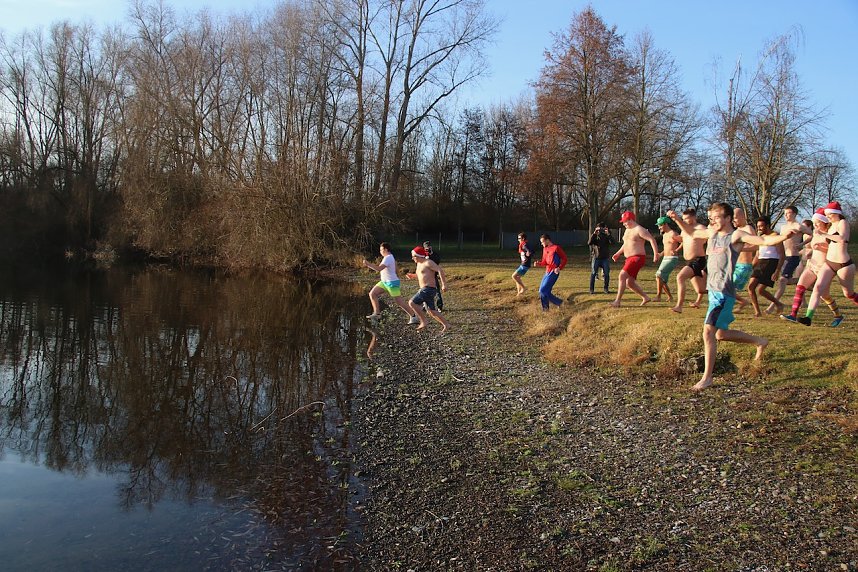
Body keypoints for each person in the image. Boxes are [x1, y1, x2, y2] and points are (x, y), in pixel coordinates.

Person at [667, 204, 795, 391]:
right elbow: (692, 233)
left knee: (708, 331)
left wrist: (786, 236)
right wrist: (677, 219)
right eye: (711, 218)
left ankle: (707, 377)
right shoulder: (711, 233)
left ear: (728, 218)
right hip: (713, 291)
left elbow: (763, 241)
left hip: (724, 293)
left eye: (717, 217)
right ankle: (760, 341)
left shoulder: (735, 236)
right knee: (720, 334)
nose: (713, 221)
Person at [780, 209, 843, 326]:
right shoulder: (816, 233)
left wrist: (821, 248)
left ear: (825, 222)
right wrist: (803, 247)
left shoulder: (830, 233)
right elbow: (810, 241)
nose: (815, 225)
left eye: (817, 223)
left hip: (824, 267)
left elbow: (835, 251)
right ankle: (793, 315)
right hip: (811, 265)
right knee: (800, 287)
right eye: (814, 223)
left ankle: (838, 316)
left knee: (825, 295)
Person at [800, 201, 858, 325]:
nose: (828, 217)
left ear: (836, 213)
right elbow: (829, 243)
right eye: (826, 215)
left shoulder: (843, 223)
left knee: (848, 294)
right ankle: (808, 318)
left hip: (844, 264)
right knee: (818, 288)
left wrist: (824, 234)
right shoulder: (830, 226)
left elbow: (842, 239)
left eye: (829, 214)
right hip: (829, 263)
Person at [610, 211, 660, 307]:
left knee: (622, 276)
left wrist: (655, 254)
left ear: (631, 220)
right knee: (629, 282)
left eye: (625, 222)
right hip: (629, 258)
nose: (624, 224)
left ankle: (617, 301)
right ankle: (645, 297)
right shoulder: (627, 230)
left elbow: (651, 240)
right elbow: (626, 244)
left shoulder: (639, 229)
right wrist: (618, 253)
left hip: (637, 257)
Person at [767, 206, 812, 312]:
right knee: (788, 280)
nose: (786, 215)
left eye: (788, 213)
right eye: (785, 213)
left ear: (794, 214)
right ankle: (803, 286)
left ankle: (772, 307)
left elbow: (812, 234)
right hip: (784, 257)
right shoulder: (783, 227)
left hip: (793, 257)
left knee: (782, 281)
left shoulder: (798, 226)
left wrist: (802, 244)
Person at [363, 242, 419, 324]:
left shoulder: (388, 258)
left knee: (399, 302)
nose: (380, 251)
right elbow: (395, 269)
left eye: (381, 250)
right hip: (384, 282)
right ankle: (377, 313)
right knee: (372, 294)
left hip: (391, 283)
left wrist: (368, 264)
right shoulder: (388, 257)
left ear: (385, 249)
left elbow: (379, 269)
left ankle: (414, 316)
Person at [670, 208, 708, 313]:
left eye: (687, 219)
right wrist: (676, 239)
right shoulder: (685, 230)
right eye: (683, 219)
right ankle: (724, 292)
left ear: (694, 217)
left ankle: (679, 306)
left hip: (698, 260)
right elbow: (684, 239)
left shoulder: (700, 228)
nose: (685, 221)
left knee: (680, 277)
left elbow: (705, 237)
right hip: (689, 261)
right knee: (701, 290)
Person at [747, 215, 786, 317]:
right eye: (758, 226)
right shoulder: (761, 238)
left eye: (761, 226)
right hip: (760, 263)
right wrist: (751, 266)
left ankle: (778, 304)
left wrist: (777, 270)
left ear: (767, 225)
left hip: (771, 263)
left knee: (760, 290)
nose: (759, 228)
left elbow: (782, 254)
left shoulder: (775, 236)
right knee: (751, 288)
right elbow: (757, 254)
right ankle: (758, 312)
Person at [406, 246, 450, 333]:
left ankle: (424, 321)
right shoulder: (419, 264)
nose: (412, 258)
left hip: (428, 289)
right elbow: (421, 275)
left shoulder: (428, 262)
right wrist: (412, 276)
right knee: (431, 311)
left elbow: (440, 270)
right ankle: (446, 324)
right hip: (425, 289)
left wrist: (444, 284)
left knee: (412, 303)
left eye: (414, 256)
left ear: (419, 255)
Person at [731, 207, 757, 312]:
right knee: (726, 286)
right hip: (735, 264)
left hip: (744, 265)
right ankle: (742, 302)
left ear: (742, 217)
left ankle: (742, 302)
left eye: (735, 218)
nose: (733, 221)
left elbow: (756, 246)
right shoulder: (737, 231)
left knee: (728, 286)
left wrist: (742, 248)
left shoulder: (748, 229)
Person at [534, 233, 568, 310]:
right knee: (542, 291)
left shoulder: (556, 248)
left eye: (542, 242)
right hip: (547, 272)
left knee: (543, 290)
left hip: (554, 272)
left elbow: (565, 259)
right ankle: (545, 310)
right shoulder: (545, 249)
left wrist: (559, 267)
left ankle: (560, 303)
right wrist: (538, 263)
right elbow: (544, 262)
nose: (541, 243)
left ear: (547, 240)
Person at [654, 216, 682, 302]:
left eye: (660, 225)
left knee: (659, 275)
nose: (659, 227)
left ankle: (658, 296)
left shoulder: (673, 233)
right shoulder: (665, 235)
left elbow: (684, 241)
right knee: (660, 278)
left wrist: (676, 250)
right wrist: (660, 254)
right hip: (665, 258)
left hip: (672, 258)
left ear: (666, 224)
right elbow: (666, 247)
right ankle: (670, 297)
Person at [588, 222, 615, 294]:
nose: (600, 231)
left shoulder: (607, 236)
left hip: (605, 258)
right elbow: (589, 243)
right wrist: (594, 233)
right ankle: (591, 289)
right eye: (599, 229)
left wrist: (608, 234)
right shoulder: (595, 236)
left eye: (601, 229)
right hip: (596, 257)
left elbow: (613, 243)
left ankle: (606, 289)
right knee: (593, 273)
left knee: (606, 274)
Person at [422, 240, 444, 311]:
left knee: (437, 291)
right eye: (426, 248)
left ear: (431, 247)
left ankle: (439, 306)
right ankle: (425, 305)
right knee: (424, 290)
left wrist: (431, 255)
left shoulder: (435, 255)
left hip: (433, 275)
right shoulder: (423, 255)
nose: (427, 249)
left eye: (429, 248)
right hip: (425, 276)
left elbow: (437, 262)